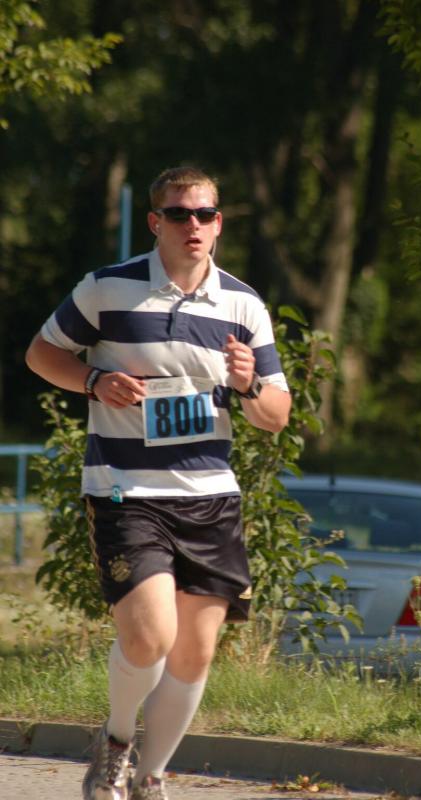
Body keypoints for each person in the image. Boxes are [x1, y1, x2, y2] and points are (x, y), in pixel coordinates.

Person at [25, 166, 291, 800]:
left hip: (209, 497)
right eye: (179, 214)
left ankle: (151, 776)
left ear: (219, 223)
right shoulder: (107, 288)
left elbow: (275, 415)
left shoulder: (243, 305)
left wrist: (250, 383)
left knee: (194, 653)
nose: (193, 225)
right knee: (150, 636)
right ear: (155, 222)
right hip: (127, 490)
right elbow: (42, 354)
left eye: (205, 214)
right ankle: (116, 744)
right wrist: (94, 381)